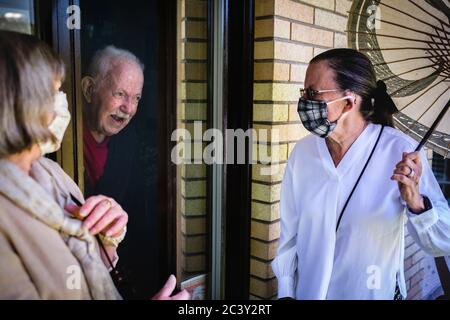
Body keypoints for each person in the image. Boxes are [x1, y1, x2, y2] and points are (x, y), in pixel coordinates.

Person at [0, 30, 188, 300]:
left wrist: (109, 236)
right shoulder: (61, 151)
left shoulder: (48, 171)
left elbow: (90, 256)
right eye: (54, 94)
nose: (129, 108)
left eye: (136, 98)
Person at [271, 48, 450, 300]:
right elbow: (290, 235)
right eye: (304, 93)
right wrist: (286, 291)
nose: (305, 101)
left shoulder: (400, 152)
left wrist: (417, 203)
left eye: (313, 93)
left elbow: (442, 240)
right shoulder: (303, 154)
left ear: (349, 100)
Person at [80, 46, 159, 298]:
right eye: (120, 94)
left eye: (136, 98)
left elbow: (135, 217)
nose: (128, 108)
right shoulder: (58, 140)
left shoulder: (128, 141)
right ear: (90, 90)